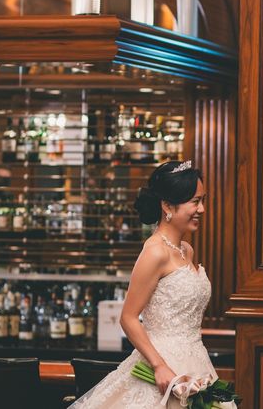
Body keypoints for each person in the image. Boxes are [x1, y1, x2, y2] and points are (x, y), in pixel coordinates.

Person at [69, 160, 236, 408]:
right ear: (167, 205)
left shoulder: (186, 250)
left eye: (203, 200)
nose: (202, 209)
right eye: (194, 202)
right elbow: (128, 317)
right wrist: (159, 366)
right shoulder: (155, 252)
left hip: (196, 361)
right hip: (163, 365)